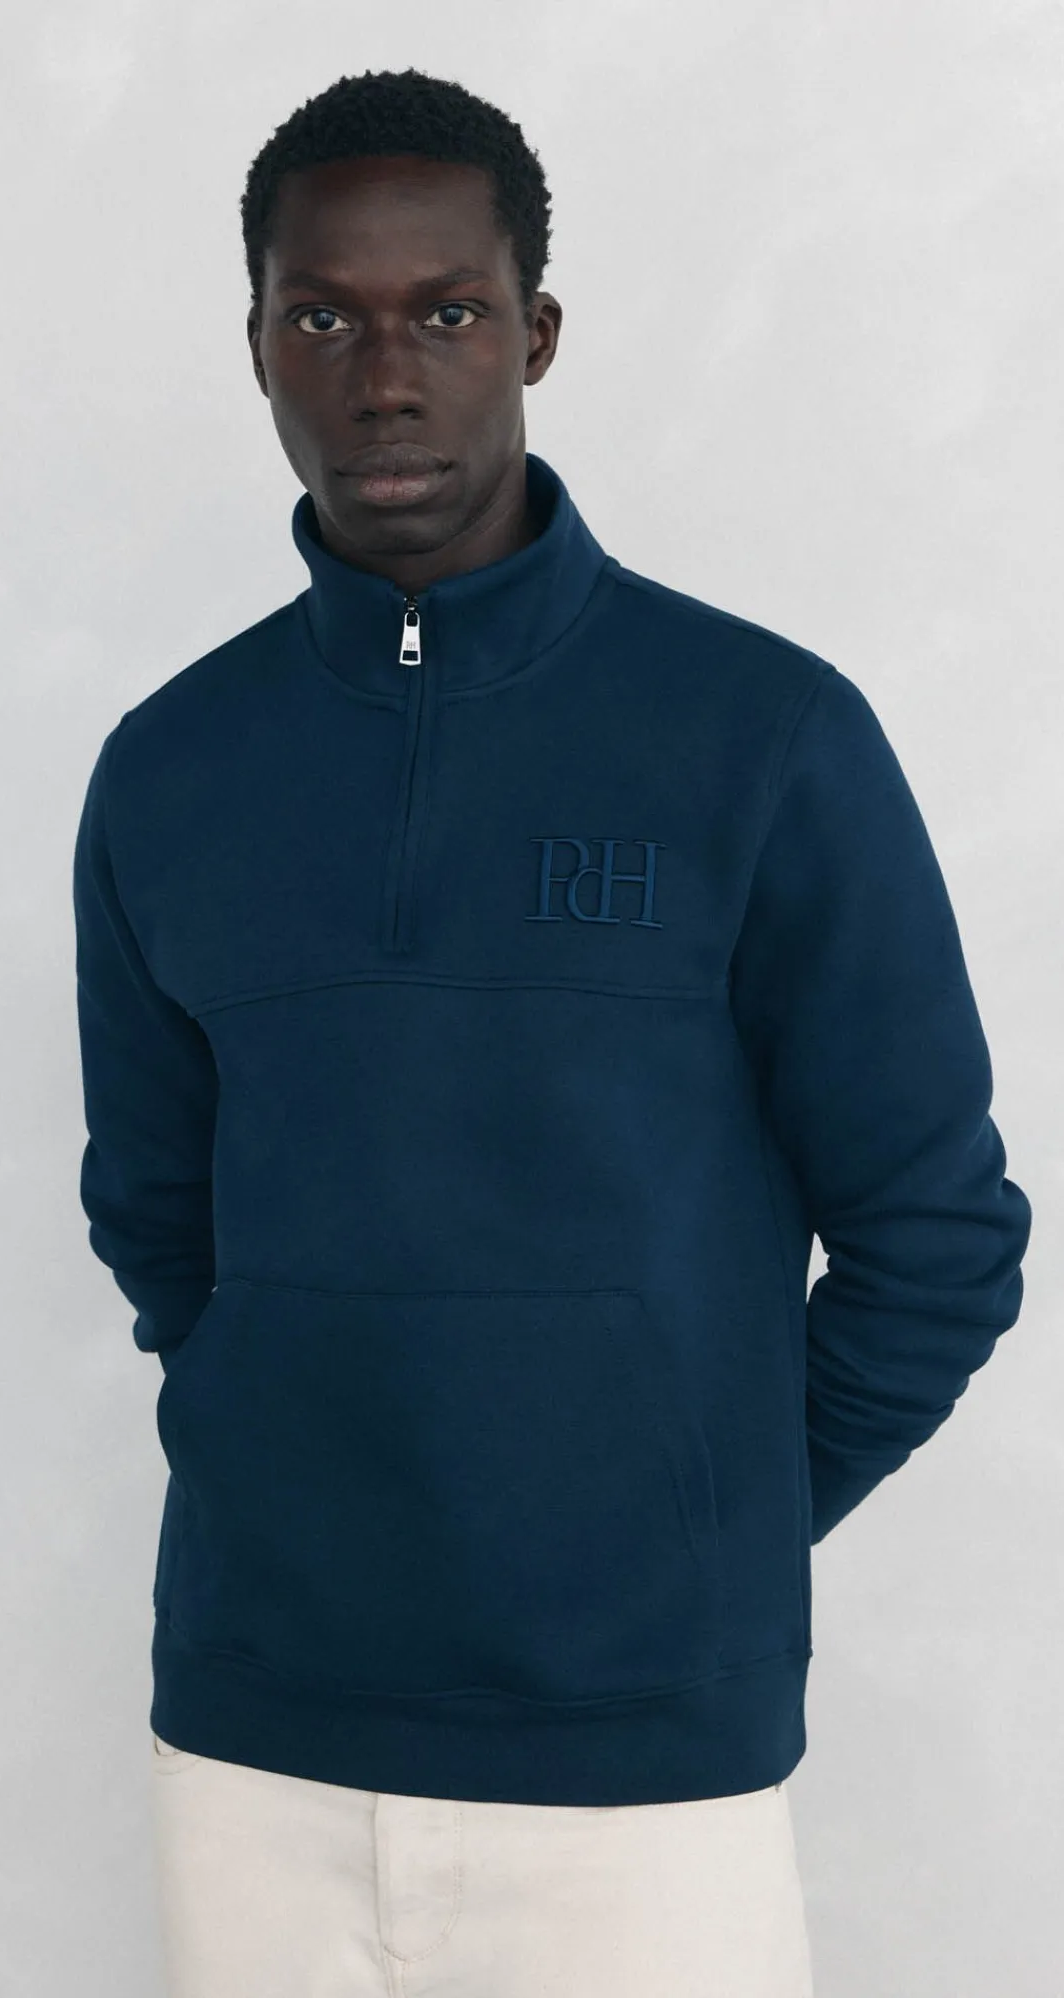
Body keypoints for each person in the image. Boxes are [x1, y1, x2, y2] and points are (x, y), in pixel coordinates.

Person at [71, 64, 1031, 1998]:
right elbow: (158, 1218)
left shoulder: (763, 737)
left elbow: (938, 1238)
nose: (385, 378)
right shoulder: (170, 771)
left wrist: (698, 1525)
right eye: (323, 317)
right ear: (256, 344)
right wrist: (287, 1462)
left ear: (538, 333)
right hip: (255, 1753)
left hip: (642, 1777)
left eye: (446, 311)